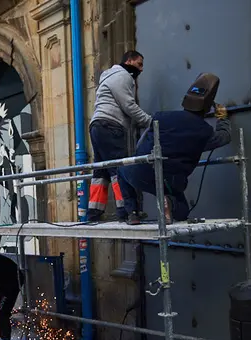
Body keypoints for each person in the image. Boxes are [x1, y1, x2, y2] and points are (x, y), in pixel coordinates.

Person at [118, 73, 231, 225]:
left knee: (121, 169)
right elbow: (224, 137)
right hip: (171, 182)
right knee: (182, 213)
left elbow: (141, 143)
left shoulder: (161, 117)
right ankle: (169, 202)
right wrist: (222, 119)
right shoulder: (204, 132)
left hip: (142, 172)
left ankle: (132, 213)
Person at [87, 50, 153, 222]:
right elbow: (129, 105)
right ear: (129, 61)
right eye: (139, 64)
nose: (142, 69)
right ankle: (129, 211)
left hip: (97, 125)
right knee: (121, 168)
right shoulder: (123, 76)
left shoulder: (108, 76)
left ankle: (94, 212)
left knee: (101, 171)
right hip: (111, 125)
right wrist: (150, 122)